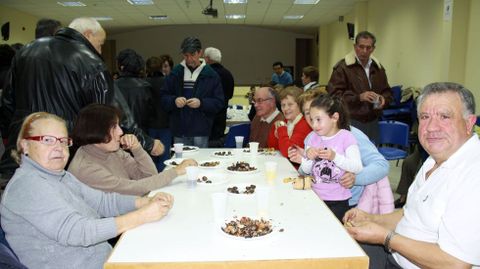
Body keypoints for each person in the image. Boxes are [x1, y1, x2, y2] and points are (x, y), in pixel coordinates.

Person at [0, 112, 174, 268]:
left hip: (104, 259)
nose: (59, 148)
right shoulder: (27, 185)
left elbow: (103, 202)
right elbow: (79, 231)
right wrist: (143, 215)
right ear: (25, 145)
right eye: (47, 140)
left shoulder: (60, 176)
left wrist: (145, 202)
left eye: (63, 141)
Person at [0, 17, 161, 178]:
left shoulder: (27, 50)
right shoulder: (89, 61)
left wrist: (16, 132)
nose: (99, 50)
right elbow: (109, 112)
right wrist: (147, 143)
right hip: (64, 152)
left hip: (23, 149)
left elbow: (7, 102)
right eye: (100, 44)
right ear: (88, 34)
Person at [344, 82, 480, 269]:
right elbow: (411, 214)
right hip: (395, 257)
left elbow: (455, 263)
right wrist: (372, 219)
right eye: (425, 117)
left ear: (469, 123)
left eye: (444, 116)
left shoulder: (473, 174)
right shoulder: (435, 158)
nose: (431, 127)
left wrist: (386, 237)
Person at [291, 90, 390, 210]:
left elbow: (382, 165)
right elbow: (306, 172)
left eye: (318, 115)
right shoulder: (311, 138)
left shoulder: (351, 135)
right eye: (308, 113)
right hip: (318, 198)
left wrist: (355, 178)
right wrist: (303, 159)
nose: (313, 120)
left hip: (348, 202)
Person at [68, 104, 196, 196]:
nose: (121, 131)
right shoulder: (86, 169)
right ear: (96, 130)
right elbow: (136, 188)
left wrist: (137, 148)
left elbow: (149, 177)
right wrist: (176, 171)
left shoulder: (113, 151)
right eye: (114, 127)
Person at [298, 94, 362, 220]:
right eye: (311, 120)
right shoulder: (312, 137)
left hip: (338, 201)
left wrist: (335, 157)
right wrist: (308, 157)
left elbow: (357, 167)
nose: (314, 125)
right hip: (315, 196)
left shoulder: (346, 137)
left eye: (318, 119)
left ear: (334, 117)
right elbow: (305, 170)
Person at [327, 31, 392, 142]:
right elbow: (334, 96)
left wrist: (383, 99)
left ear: (373, 49)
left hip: (373, 121)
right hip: (351, 120)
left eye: (368, 48)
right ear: (355, 46)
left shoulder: (378, 68)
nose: (364, 51)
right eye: (361, 47)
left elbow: (387, 92)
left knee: (371, 156)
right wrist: (358, 97)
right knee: (352, 156)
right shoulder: (343, 67)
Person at [160, 37, 224, 148]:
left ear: (200, 53)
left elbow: (219, 102)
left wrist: (201, 103)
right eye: (186, 55)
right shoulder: (175, 73)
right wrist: (174, 101)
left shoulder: (211, 75)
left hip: (201, 130)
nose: (189, 59)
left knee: (200, 162)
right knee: (180, 162)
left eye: (192, 54)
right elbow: (163, 97)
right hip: (179, 130)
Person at [267, 86, 311, 159]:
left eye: (290, 104)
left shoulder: (304, 124)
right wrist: (275, 127)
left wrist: (281, 129)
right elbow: (273, 148)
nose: (286, 108)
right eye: (283, 105)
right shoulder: (286, 122)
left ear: (300, 106)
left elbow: (288, 152)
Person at [115, 48, 153, 132]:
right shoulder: (145, 86)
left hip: (118, 132)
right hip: (141, 132)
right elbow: (151, 113)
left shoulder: (112, 85)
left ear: (121, 66)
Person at [204, 47, 235, 147]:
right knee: (218, 143)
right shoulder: (228, 74)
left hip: (207, 115)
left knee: (206, 145)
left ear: (207, 59)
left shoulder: (205, 74)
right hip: (221, 115)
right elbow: (230, 94)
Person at [145, 56, 171, 171]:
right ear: (161, 68)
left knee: (150, 156)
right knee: (165, 156)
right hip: (166, 123)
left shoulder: (143, 84)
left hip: (149, 124)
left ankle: (152, 181)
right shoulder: (168, 82)